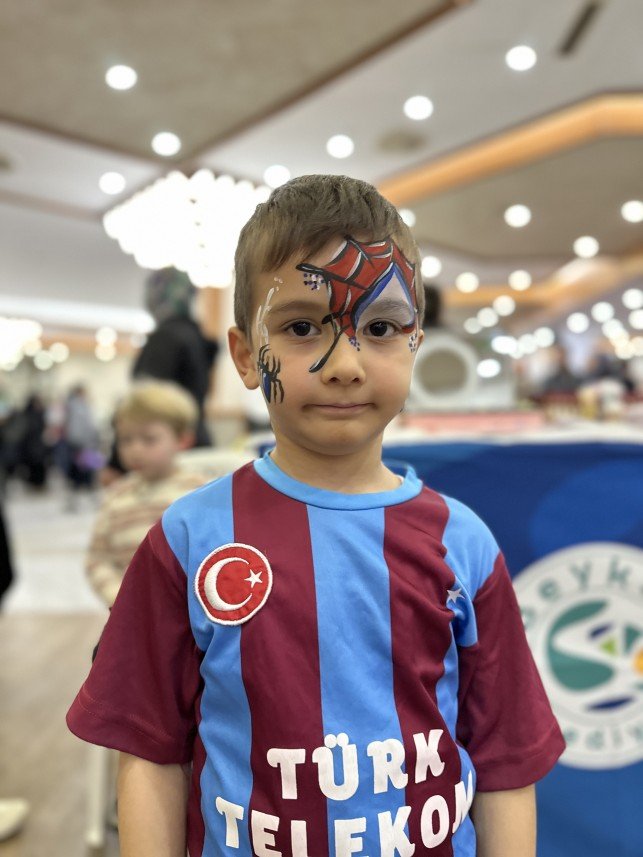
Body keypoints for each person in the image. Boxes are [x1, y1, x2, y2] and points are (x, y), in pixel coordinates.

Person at [67, 175, 564, 856]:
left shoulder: (463, 544)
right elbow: (149, 751)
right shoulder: (187, 541)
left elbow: (505, 760)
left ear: (415, 343)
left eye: (380, 327)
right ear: (245, 355)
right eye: (301, 327)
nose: (344, 364)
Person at [86, 381, 207, 608]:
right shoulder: (115, 497)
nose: (135, 450)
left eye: (149, 439)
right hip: (130, 615)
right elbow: (97, 558)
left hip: (188, 616)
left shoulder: (200, 493)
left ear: (183, 440)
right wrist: (118, 596)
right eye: (126, 440)